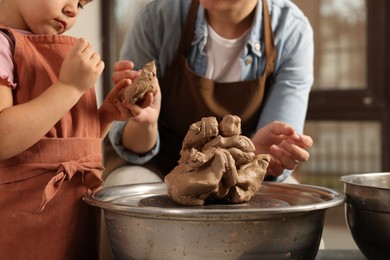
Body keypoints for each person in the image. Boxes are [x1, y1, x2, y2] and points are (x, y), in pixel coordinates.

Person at [0, 0, 160, 258]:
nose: (73, 10)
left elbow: (63, 149)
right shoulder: (2, 46)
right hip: (22, 225)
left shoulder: (60, 55)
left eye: (81, 4)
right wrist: (70, 88)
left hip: (72, 218)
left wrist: (104, 117)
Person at [108, 0, 314, 184]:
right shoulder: (157, 19)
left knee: (287, 199)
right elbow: (134, 149)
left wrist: (263, 154)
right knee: (126, 181)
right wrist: (145, 122)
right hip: (159, 170)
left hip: (239, 170)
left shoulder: (291, 31)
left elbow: (272, 158)